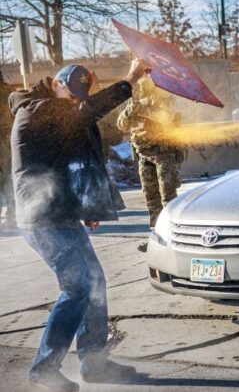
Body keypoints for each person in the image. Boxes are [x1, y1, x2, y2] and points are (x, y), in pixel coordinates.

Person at [10, 58, 150, 391]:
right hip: (42, 217)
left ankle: (94, 363)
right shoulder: (35, 109)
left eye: (78, 97)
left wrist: (87, 204)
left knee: (94, 282)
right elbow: (87, 114)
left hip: (61, 212)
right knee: (77, 287)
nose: (74, 102)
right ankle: (45, 367)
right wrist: (129, 79)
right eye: (71, 95)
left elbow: (71, 160)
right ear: (56, 83)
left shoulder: (57, 110)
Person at [117, 76, 184, 232]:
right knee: (151, 197)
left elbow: (166, 119)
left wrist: (142, 108)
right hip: (144, 155)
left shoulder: (165, 97)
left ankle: (172, 231)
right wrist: (129, 112)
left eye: (144, 86)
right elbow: (121, 125)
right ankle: (156, 232)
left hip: (163, 155)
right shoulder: (134, 102)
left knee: (168, 196)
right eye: (140, 87)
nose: (141, 89)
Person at [0, 70, 15, 228]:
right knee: (9, 179)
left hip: (4, 142)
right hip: (10, 141)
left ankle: (12, 214)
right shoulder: (10, 92)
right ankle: (12, 214)